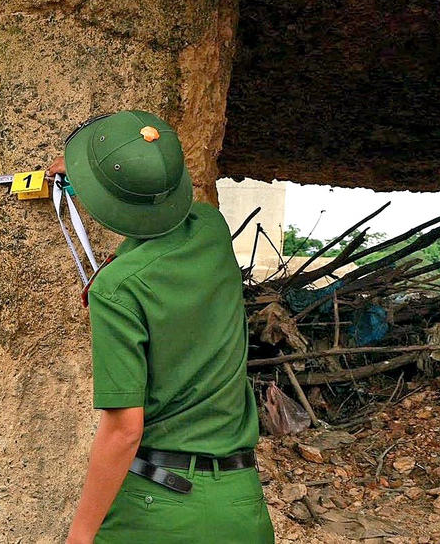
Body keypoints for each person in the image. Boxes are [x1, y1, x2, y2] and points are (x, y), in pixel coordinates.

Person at [47, 111, 274, 543]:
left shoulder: (116, 290)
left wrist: (79, 536)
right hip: (241, 506)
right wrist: (101, 176)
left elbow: (124, 429)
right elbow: (159, 216)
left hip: (158, 509)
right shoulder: (211, 228)